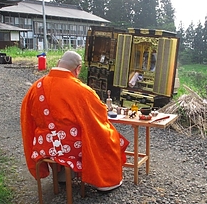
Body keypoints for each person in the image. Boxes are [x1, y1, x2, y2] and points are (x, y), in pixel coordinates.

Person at [20, 50, 129, 191]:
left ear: (58, 63)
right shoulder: (80, 89)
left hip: (44, 145)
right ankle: (106, 183)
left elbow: (27, 119)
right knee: (107, 136)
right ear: (78, 69)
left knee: (62, 135)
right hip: (70, 146)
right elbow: (99, 113)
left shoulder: (35, 87)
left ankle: (63, 176)